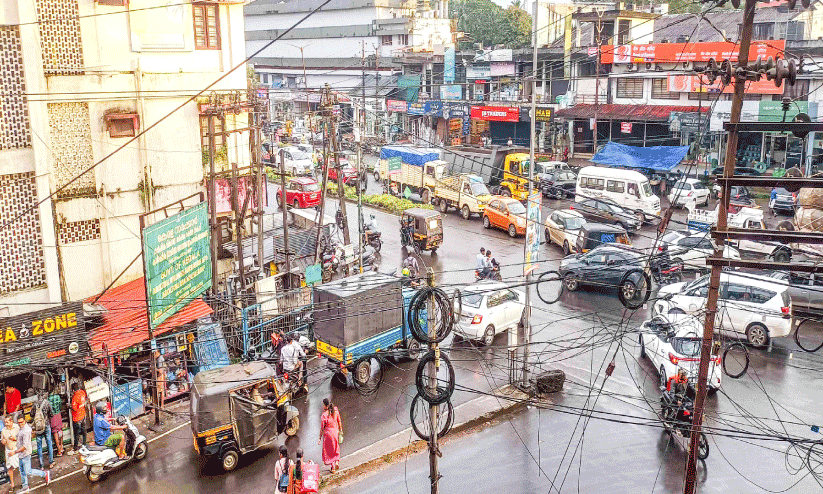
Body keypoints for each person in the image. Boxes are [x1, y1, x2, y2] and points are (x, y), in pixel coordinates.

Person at [14, 414, 50, 490]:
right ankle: (25, 485)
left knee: (28, 471)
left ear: (25, 421)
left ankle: (44, 474)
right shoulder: (21, 429)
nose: (20, 424)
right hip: (21, 454)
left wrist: (15, 452)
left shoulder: (26, 430)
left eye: (21, 422)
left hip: (25, 453)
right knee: (22, 471)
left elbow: (25, 446)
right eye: (19, 422)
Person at [318, 398, 342, 472]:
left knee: (329, 451)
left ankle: (333, 467)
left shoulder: (324, 415)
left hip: (328, 434)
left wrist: (319, 438)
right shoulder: (335, 411)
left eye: (323, 405)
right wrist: (341, 430)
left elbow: (322, 428)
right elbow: (339, 421)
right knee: (336, 447)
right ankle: (337, 461)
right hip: (335, 432)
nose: (322, 406)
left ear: (325, 406)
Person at [34, 395, 54, 470]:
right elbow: (51, 414)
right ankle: (51, 463)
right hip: (46, 425)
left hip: (38, 427)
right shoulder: (47, 403)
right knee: (49, 443)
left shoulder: (35, 404)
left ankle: (41, 465)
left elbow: (31, 414)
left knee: (39, 446)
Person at [68, 383, 87, 455]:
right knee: (84, 431)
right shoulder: (82, 392)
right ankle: (84, 444)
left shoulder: (75, 397)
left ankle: (75, 448)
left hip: (77, 418)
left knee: (76, 434)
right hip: (83, 415)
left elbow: (74, 408)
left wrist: (69, 406)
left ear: (73, 390)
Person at [2, 415, 19, 490]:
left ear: (11, 421)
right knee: (9, 468)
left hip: (16, 449)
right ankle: (12, 483)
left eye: (7, 422)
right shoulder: (3, 430)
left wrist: (14, 439)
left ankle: (24, 481)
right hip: (8, 450)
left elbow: (21, 439)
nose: (6, 424)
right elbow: (2, 439)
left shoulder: (17, 427)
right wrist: (3, 441)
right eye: (5, 422)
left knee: (20, 466)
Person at [48, 393, 64, 458]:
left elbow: (48, 410)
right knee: (60, 430)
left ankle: (59, 450)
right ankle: (62, 447)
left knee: (55, 433)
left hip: (53, 417)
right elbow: (60, 405)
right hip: (58, 415)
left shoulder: (49, 399)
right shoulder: (58, 396)